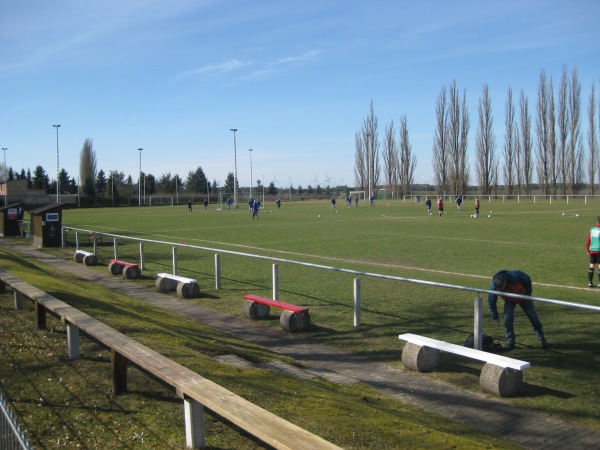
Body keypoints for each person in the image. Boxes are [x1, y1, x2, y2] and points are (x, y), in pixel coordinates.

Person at [488, 270, 549, 351]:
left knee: (533, 316)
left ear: (505, 283)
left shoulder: (516, 277)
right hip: (509, 300)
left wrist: (527, 294)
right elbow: (491, 300)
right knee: (507, 319)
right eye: (497, 288)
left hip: (523, 297)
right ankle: (510, 342)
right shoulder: (494, 286)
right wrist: (495, 315)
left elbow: (527, 278)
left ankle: (542, 339)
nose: (498, 290)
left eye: (500, 288)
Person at [585, 216, 600, 287]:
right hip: (599, 250)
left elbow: (588, 241)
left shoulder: (592, 229)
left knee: (591, 266)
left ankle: (590, 283)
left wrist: (588, 250)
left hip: (592, 250)